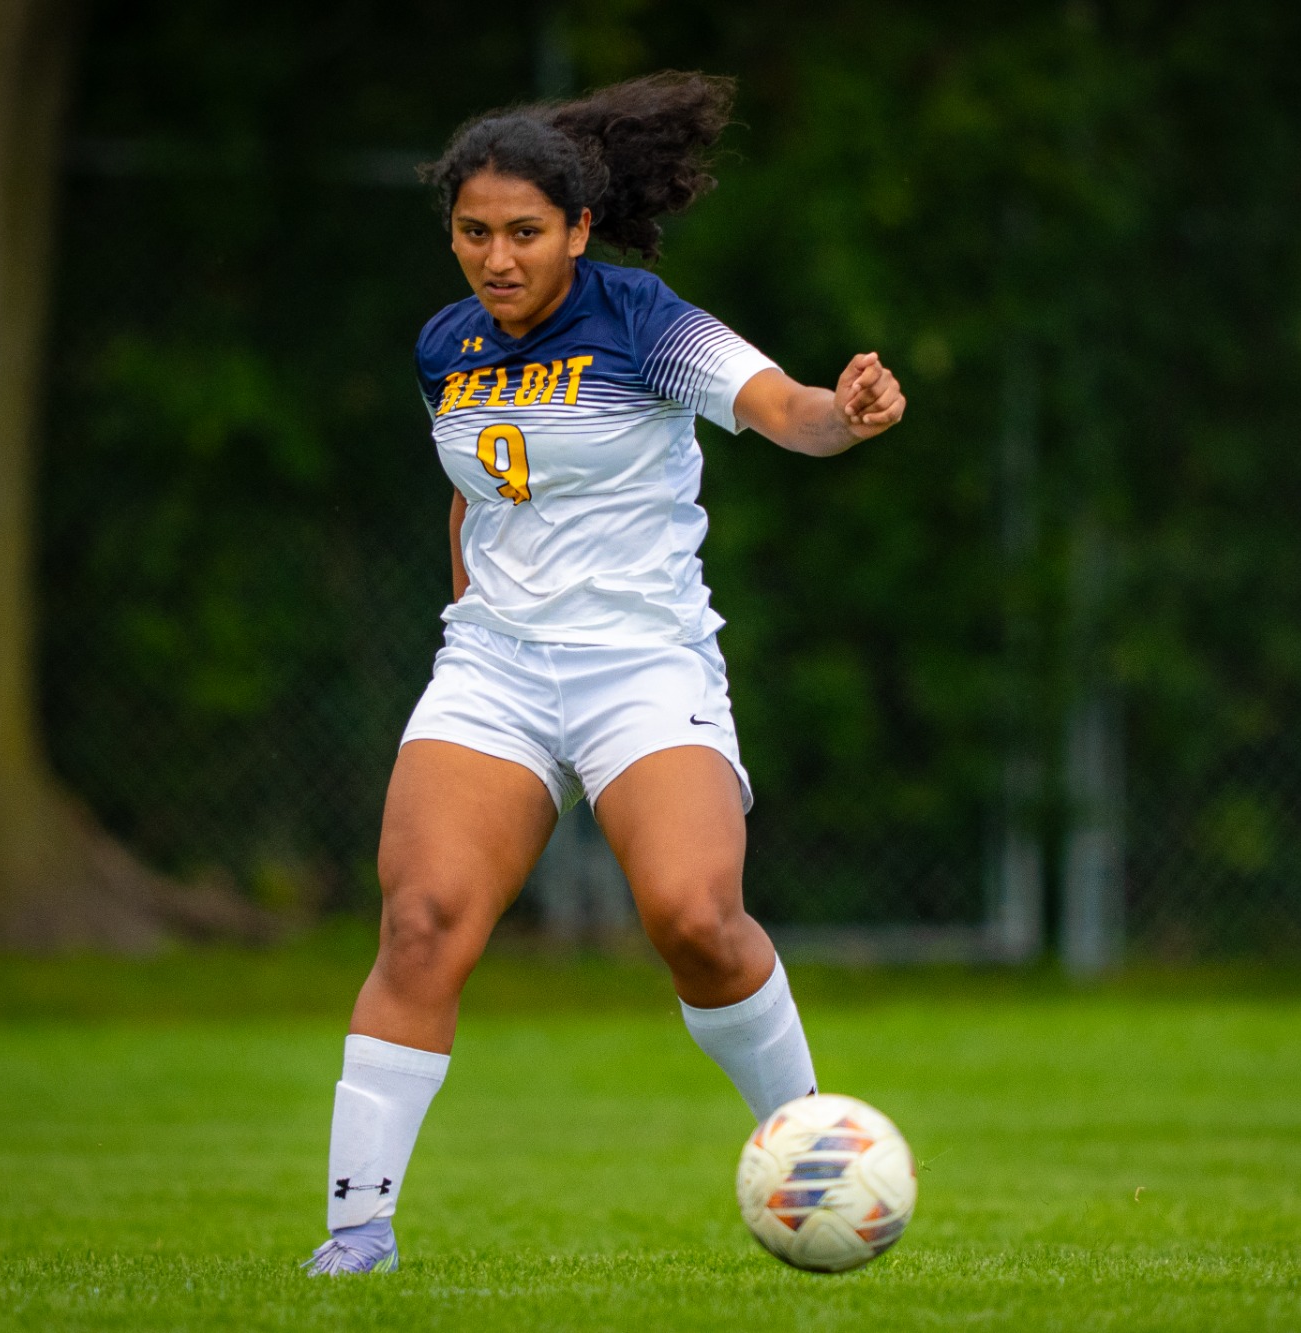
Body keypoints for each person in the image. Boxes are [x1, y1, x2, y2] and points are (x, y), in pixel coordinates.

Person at [303, 71, 906, 1275]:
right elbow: (478, 495)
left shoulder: (643, 321)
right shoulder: (445, 345)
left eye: (524, 232)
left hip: (641, 663)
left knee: (695, 920)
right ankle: (355, 1232)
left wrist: (843, 413)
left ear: (578, 229)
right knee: (420, 923)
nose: (496, 256)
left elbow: (782, 408)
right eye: (473, 231)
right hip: (495, 671)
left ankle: (812, 1148)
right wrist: (472, 616)